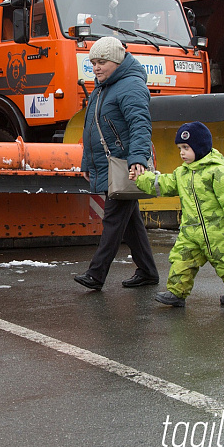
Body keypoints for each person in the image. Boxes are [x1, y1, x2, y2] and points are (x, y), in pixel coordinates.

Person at [133, 121, 224, 307]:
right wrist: (142, 178)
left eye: (186, 148)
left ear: (200, 147)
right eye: (180, 148)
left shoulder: (216, 171)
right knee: (182, 260)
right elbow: (164, 184)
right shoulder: (182, 173)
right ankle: (176, 293)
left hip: (216, 232)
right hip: (190, 231)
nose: (182, 152)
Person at [74, 36, 160, 291]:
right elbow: (92, 130)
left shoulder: (131, 86)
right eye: (93, 63)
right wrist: (87, 163)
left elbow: (140, 126)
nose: (96, 68)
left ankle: (96, 274)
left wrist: (138, 160)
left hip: (124, 165)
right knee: (130, 222)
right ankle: (147, 271)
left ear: (116, 61)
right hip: (110, 165)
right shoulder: (103, 87)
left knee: (113, 220)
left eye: (102, 62)